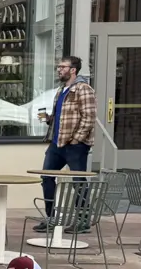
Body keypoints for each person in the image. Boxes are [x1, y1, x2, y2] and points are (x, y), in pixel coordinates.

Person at [34, 56, 96, 232]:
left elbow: (89, 117)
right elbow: (64, 117)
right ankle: (51, 218)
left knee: (78, 180)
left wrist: (77, 138)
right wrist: (49, 119)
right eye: (58, 67)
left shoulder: (84, 89)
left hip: (75, 145)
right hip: (57, 143)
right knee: (46, 177)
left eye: (63, 67)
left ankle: (83, 221)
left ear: (73, 70)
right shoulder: (62, 90)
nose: (59, 69)